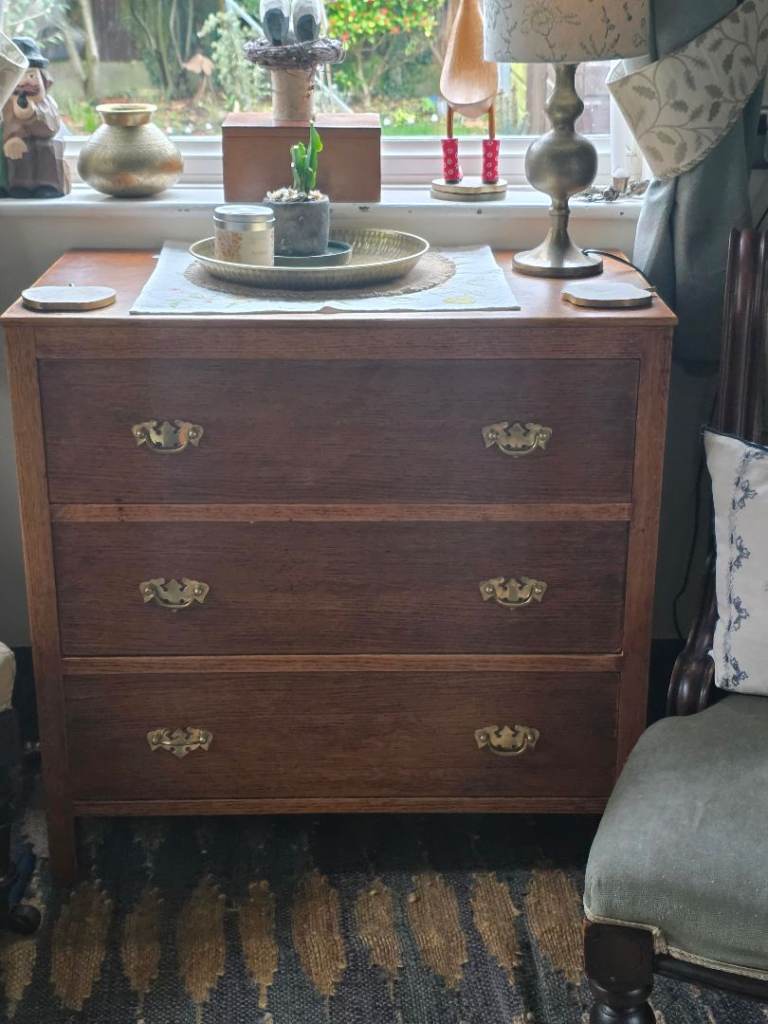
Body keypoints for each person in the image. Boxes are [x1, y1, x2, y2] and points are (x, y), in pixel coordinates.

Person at [0, 37, 70, 199]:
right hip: (17, 142)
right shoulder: (6, 104)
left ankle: (48, 185)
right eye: (20, 77)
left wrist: (33, 114)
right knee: (17, 153)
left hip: (45, 139)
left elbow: (51, 126)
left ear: (43, 80)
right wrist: (13, 137)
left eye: (31, 75)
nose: (25, 81)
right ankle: (20, 185)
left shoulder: (46, 103)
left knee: (48, 147)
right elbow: (7, 122)